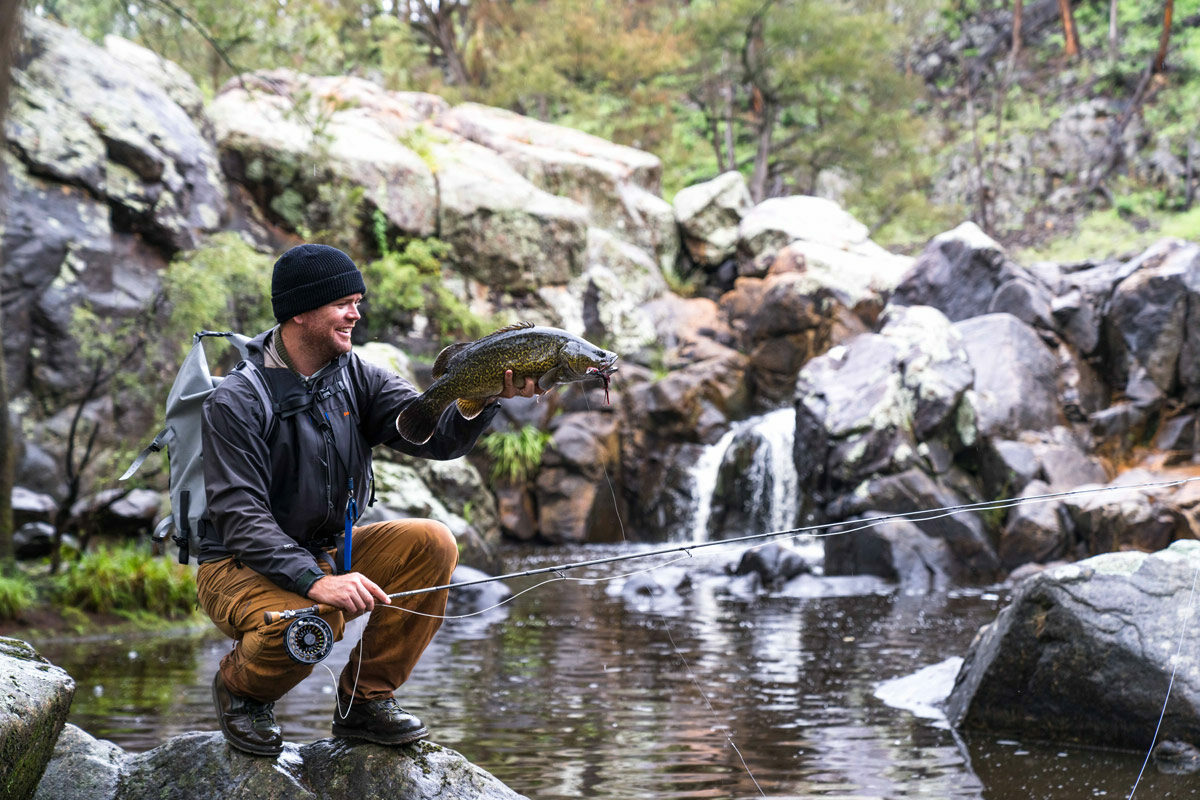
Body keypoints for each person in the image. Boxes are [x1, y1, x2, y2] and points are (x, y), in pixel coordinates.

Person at [196, 243, 538, 756]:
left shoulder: (357, 375)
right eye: (343, 304)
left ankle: (366, 703)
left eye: (358, 301)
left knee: (432, 541)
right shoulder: (237, 400)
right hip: (236, 564)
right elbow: (240, 519)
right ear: (299, 311)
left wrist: (484, 395)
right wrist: (319, 582)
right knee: (313, 623)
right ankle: (241, 692)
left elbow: (434, 435)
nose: (356, 314)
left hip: (326, 552)